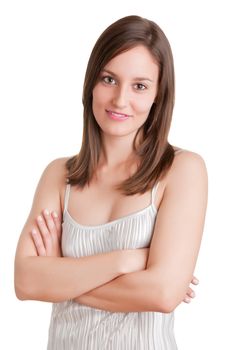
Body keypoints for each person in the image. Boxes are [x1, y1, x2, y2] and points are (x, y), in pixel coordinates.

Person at [14, 15, 208, 350]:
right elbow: (26, 281)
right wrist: (128, 260)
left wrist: (59, 276)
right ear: (91, 83)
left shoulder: (182, 170)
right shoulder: (59, 176)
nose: (120, 100)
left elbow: (163, 294)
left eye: (140, 85)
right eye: (109, 79)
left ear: (158, 96)